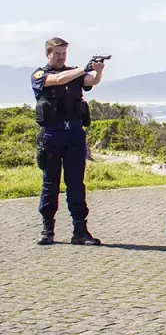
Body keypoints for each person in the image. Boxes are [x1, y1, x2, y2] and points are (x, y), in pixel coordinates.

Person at [31, 37, 105, 246]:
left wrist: (97, 70)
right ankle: (48, 230)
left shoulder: (75, 73)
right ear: (48, 54)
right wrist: (84, 68)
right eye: (57, 54)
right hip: (51, 137)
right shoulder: (39, 75)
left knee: (76, 183)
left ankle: (80, 231)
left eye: (64, 53)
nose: (61, 57)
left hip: (73, 134)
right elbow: (58, 80)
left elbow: (92, 81)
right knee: (50, 183)